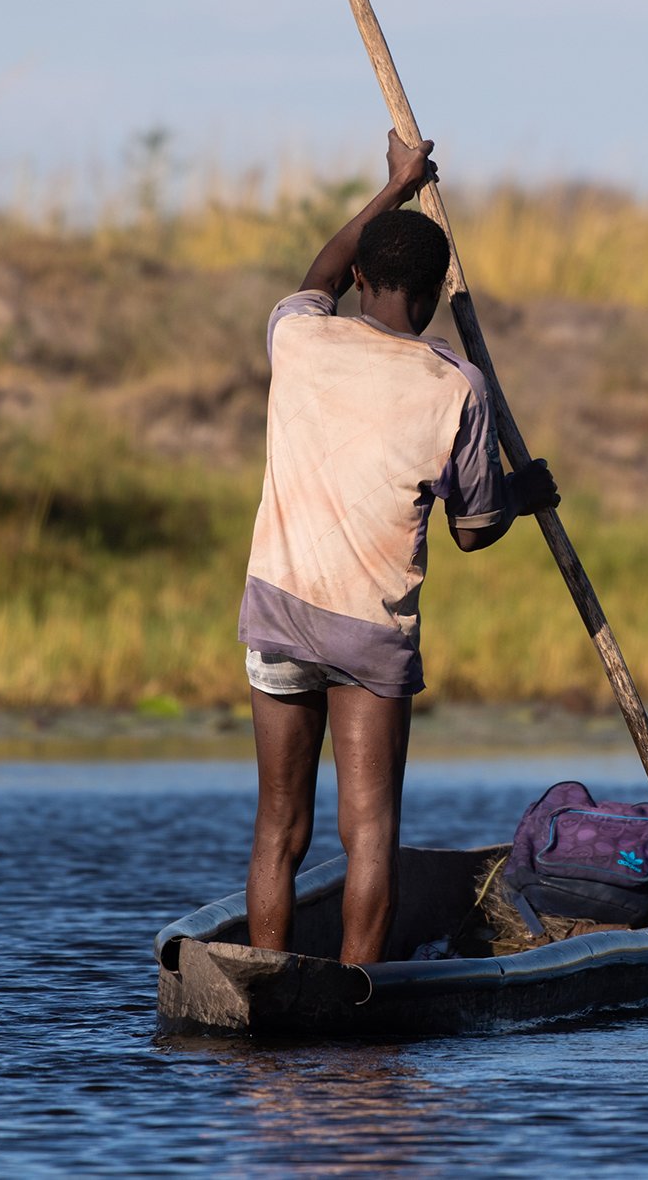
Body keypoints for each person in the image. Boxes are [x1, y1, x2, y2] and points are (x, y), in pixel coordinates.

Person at [238, 130, 558, 964]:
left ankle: (269, 981)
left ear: (363, 284)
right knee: (370, 834)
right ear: (429, 297)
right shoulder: (454, 384)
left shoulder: (298, 338)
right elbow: (474, 528)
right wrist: (526, 495)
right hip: (367, 636)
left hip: (277, 615)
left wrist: (395, 186)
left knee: (280, 826)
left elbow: (320, 273)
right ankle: (357, 1001)